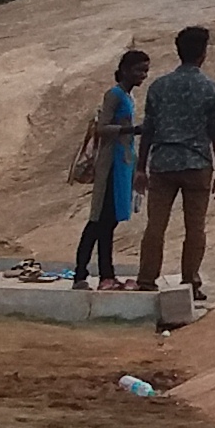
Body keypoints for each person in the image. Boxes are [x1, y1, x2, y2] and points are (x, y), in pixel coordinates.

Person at [136, 25, 215, 299]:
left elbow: (149, 130)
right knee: (195, 227)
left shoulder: (159, 86)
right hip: (197, 163)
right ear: (203, 53)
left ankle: (147, 279)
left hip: (163, 163)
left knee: (156, 225)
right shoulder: (210, 89)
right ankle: (190, 282)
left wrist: (141, 167)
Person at [71, 48, 147, 291]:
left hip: (123, 163)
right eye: (138, 70)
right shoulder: (113, 95)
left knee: (109, 222)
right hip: (111, 165)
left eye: (145, 71)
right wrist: (130, 130)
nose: (142, 75)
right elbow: (102, 128)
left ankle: (107, 273)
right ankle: (81, 273)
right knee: (98, 221)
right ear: (124, 70)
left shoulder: (127, 96)